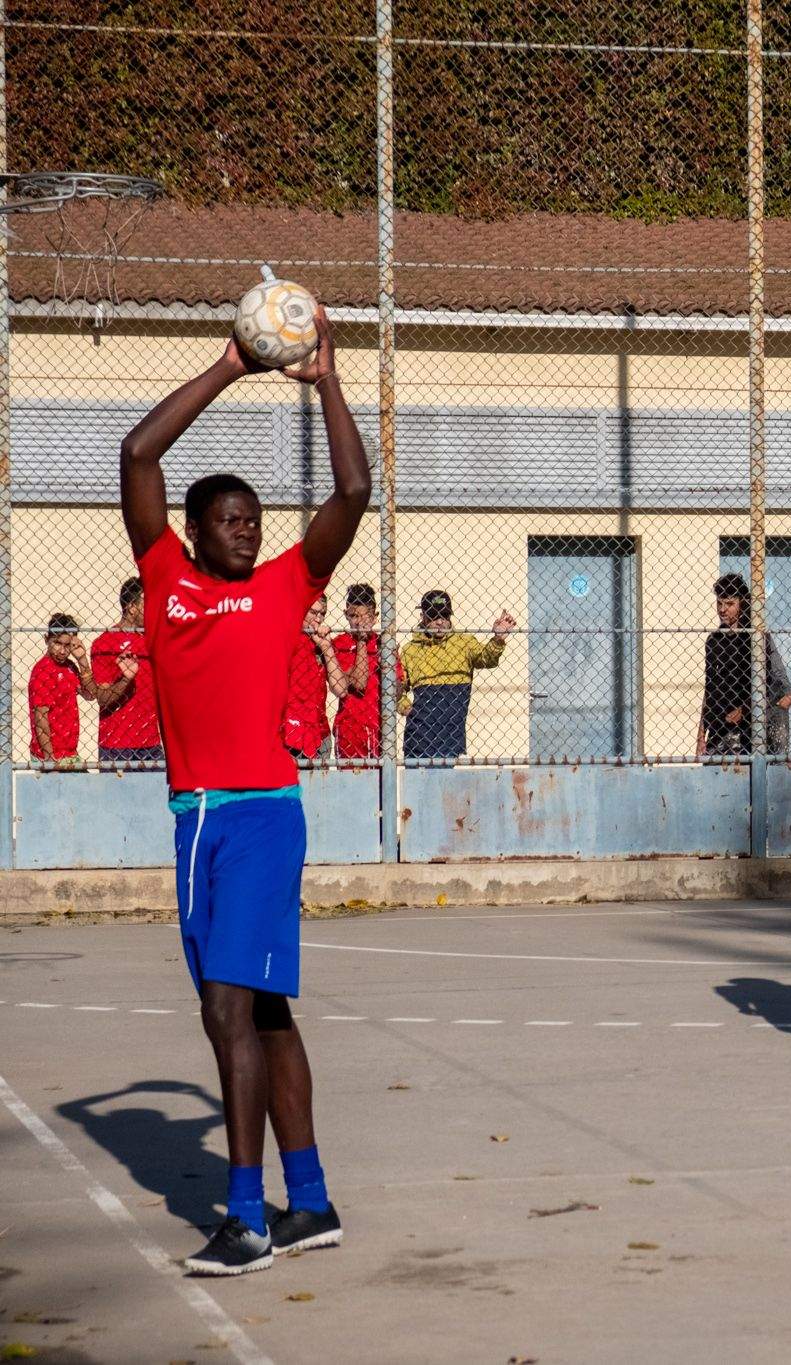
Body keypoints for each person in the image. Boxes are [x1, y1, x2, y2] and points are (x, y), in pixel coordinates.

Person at [119, 305, 369, 1274]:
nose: (245, 534)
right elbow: (140, 454)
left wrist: (327, 382)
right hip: (193, 822)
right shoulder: (167, 574)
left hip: (263, 812)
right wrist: (228, 366)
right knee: (261, 1013)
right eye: (228, 522)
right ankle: (309, 1203)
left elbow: (352, 485)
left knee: (230, 1009)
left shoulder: (285, 587)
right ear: (192, 530)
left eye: (253, 524)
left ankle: (247, 1216)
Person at [398, 590, 513, 760]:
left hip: (450, 736)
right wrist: (406, 707)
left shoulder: (464, 643)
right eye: (433, 616)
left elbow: (486, 659)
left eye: (444, 616)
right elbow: (395, 686)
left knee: (446, 784)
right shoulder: (410, 650)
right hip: (418, 737)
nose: (439, 622)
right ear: (422, 616)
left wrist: (498, 639)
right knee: (415, 784)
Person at [696, 572, 791, 756]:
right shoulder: (713, 641)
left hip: (749, 729)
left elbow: (771, 679)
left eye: (730, 604)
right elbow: (709, 688)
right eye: (719, 603)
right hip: (718, 730)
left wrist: (746, 709)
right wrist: (701, 735)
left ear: (742, 604)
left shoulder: (755, 638)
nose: (722, 609)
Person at [91, 576, 162, 766]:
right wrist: (125, 679)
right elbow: (103, 698)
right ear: (132, 607)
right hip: (117, 747)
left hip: (151, 745)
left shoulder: (154, 640)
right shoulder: (105, 643)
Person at [282, 594, 347, 763]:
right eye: (313, 613)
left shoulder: (322, 643)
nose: (318, 619)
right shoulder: (286, 638)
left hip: (319, 731)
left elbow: (340, 689)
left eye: (322, 614)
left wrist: (326, 648)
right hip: (290, 731)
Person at [330, 584, 386, 763]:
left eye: (365, 616)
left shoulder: (384, 644)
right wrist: (362, 641)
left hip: (377, 727)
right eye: (354, 616)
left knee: (377, 785)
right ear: (346, 614)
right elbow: (359, 683)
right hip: (349, 727)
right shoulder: (339, 644)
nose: (359, 622)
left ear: (375, 617)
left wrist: (388, 669)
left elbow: (397, 689)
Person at [28, 613, 88, 768]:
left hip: (69, 753)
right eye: (57, 643)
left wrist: (83, 662)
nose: (62, 651)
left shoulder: (70, 666)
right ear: (47, 640)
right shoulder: (43, 671)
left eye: (67, 645)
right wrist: (50, 761)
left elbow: (90, 695)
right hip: (50, 755)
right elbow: (41, 717)